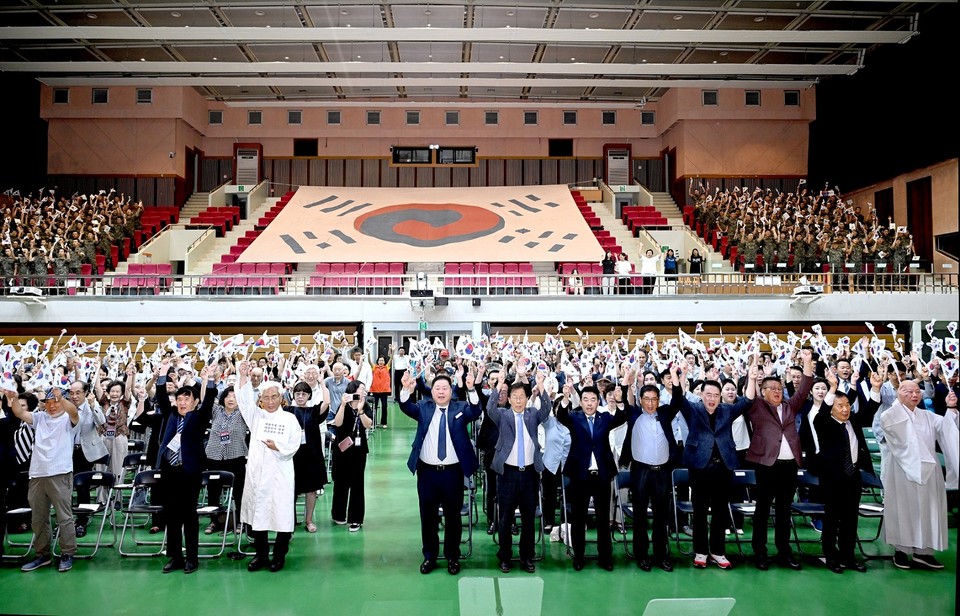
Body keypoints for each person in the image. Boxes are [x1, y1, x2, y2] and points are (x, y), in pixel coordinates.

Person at [399, 370, 481, 576]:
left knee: (453, 517)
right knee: (428, 516)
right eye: (437, 388)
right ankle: (430, 556)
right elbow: (406, 406)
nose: (441, 391)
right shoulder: (423, 408)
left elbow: (476, 411)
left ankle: (453, 556)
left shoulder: (460, 407)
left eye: (445, 388)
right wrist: (405, 389)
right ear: (432, 391)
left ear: (451, 390)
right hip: (427, 473)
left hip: (453, 473)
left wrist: (471, 388)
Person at [676, 364, 757, 570]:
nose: (712, 398)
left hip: (724, 467)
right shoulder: (693, 410)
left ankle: (718, 552)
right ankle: (701, 552)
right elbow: (678, 398)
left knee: (721, 511)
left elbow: (747, 401)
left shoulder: (727, 411)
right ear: (701, 395)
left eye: (716, 395)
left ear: (721, 396)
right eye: (708, 394)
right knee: (700, 511)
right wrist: (683, 374)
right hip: (700, 468)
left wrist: (752, 377)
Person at [745, 348, 815, 571]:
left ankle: (784, 552)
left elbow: (804, 389)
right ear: (763, 392)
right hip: (766, 466)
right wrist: (752, 377)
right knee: (762, 511)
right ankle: (760, 553)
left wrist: (806, 362)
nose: (777, 391)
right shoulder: (757, 406)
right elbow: (749, 395)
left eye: (779, 388)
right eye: (772, 389)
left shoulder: (790, 406)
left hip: (789, 467)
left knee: (785, 511)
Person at [879, 381, 959, 570]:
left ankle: (925, 553)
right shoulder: (890, 415)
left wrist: (951, 408)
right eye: (908, 391)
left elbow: (948, 428)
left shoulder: (927, 416)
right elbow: (901, 441)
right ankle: (901, 551)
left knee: (928, 510)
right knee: (904, 510)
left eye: (917, 392)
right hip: (902, 471)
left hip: (929, 473)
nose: (914, 395)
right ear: (899, 393)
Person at [237, 361, 302, 573]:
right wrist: (243, 375)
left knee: (281, 515)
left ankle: (279, 555)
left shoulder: (290, 418)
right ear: (261, 400)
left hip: (281, 473)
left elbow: (294, 444)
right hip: (258, 473)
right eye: (266, 397)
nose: (271, 401)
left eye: (274, 397)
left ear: (281, 398)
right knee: (259, 516)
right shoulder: (256, 416)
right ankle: (261, 555)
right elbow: (244, 400)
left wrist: (278, 447)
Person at [6, 388, 79, 573]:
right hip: (37, 474)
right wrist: (13, 398)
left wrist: (61, 398)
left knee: (64, 516)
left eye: (55, 401)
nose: (52, 406)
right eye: (48, 402)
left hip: (60, 473)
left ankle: (67, 552)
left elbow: (73, 411)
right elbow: (19, 412)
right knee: (38, 518)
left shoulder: (68, 419)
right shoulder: (39, 418)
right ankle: (42, 554)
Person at [556, 383, 627, 571]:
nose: (589, 403)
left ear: (598, 401)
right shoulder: (574, 417)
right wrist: (565, 397)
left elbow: (622, 417)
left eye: (593, 400)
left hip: (602, 476)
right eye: (585, 399)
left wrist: (620, 399)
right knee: (578, 519)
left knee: (604, 519)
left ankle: (605, 557)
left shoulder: (605, 418)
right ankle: (578, 556)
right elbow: (561, 415)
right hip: (580, 476)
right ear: (581, 401)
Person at [154, 363, 217, 575]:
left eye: (186, 399)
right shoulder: (170, 415)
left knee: (189, 516)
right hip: (170, 472)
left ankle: (192, 558)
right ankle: (175, 557)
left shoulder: (199, 417)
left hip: (190, 472)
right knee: (171, 516)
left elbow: (209, 401)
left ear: (194, 402)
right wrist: (162, 375)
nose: (182, 402)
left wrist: (210, 379)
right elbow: (162, 397)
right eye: (179, 399)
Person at [620, 367, 684, 572]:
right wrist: (626, 381)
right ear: (640, 399)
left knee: (661, 515)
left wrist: (675, 377)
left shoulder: (665, 413)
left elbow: (678, 400)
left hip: (662, 472)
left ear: (658, 400)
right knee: (639, 515)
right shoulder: (633, 414)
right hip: (640, 471)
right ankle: (641, 555)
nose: (650, 403)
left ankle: (661, 555)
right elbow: (622, 397)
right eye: (646, 399)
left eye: (654, 399)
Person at [487, 372, 551, 573]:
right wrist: (498, 385)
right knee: (505, 518)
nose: (517, 400)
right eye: (514, 396)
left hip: (530, 474)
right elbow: (489, 408)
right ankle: (505, 557)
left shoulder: (532, 414)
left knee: (528, 519)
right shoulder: (503, 415)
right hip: (507, 474)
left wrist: (540, 387)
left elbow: (547, 408)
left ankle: (526, 557)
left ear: (526, 398)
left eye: (521, 396)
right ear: (509, 398)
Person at [813, 389, 876, 573]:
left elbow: (870, 409)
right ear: (832, 408)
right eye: (840, 405)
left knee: (850, 520)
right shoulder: (824, 423)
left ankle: (848, 556)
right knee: (832, 519)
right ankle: (830, 557)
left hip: (853, 477)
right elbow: (822, 412)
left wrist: (876, 389)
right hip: (833, 479)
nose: (845, 409)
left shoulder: (853, 421)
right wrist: (831, 391)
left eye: (847, 404)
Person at [202, 385, 248, 536]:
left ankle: (241, 521)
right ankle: (214, 521)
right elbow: (205, 399)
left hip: (236, 457)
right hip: (214, 456)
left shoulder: (243, 413)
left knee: (239, 491)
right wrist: (206, 380)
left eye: (234, 396)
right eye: (228, 396)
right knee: (213, 491)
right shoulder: (216, 411)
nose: (231, 399)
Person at [331, 380, 373, 532]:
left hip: (359, 450)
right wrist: (342, 404)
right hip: (342, 449)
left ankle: (356, 519)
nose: (364, 391)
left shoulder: (365, 406)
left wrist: (361, 411)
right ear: (353, 390)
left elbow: (368, 424)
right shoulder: (345, 405)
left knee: (357, 483)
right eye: (362, 389)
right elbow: (338, 423)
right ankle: (338, 513)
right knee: (340, 481)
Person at [67, 381, 108, 538]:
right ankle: (66, 520)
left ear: (85, 393)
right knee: (65, 486)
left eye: (78, 392)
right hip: (67, 451)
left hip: (84, 452)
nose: (74, 396)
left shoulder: (91, 406)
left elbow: (101, 422)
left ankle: (82, 521)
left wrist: (93, 405)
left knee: (82, 486)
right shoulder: (66, 406)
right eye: (72, 393)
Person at [288, 381, 328, 533]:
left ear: (309, 396)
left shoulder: (314, 411)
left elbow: (327, 402)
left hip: (311, 455)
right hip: (292, 455)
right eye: (297, 393)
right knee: (291, 489)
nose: (300, 396)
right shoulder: (288, 410)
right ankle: (290, 520)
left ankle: (309, 520)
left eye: (304, 394)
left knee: (311, 490)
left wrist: (322, 381)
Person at [369, 347, 392, 428]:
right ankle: (373, 423)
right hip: (375, 390)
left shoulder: (387, 367)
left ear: (384, 361)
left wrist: (392, 351)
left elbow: (391, 359)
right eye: (380, 360)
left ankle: (384, 422)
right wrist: (368, 354)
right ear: (377, 361)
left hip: (384, 391)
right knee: (374, 407)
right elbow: (369, 361)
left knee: (384, 406)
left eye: (382, 360)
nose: (381, 362)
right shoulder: (374, 367)